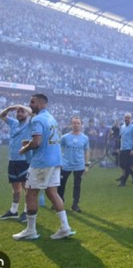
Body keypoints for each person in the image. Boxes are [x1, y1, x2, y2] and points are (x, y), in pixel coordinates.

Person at [13, 93, 75, 240]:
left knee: (31, 193)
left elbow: (36, 142)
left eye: (32, 102)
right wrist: (31, 142)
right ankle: (65, 227)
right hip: (55, 160)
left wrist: (24, 148)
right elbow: (43, 139)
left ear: (41, 103)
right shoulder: (51, 118)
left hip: (42, 162)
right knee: (52, 193)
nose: (30, 105)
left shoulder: (37, 119)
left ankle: (31, 230)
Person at [0, 104, 33, 223]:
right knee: (15, 188)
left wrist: (21, 106)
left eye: (21, 112)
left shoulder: (30, 124)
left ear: (26, 114)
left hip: (24, 160)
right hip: (12, 160)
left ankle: (26, 211)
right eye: (18, 112)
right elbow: (1, 115)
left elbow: (33, 113)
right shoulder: (13, 123)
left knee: (27, 188)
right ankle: (14, 211)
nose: (19, 114)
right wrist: (9, 109)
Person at [58, 116, 90, 213]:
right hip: (66, 164)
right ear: (71, 125)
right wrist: (59, 161)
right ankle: (59, 202)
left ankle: (75, 204)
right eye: (74, 123)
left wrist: (86, 165)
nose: (76, 125)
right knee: (61, 184)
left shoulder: (85, 138)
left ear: (81, 125)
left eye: (78, 123)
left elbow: (87, 151)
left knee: (77, 185)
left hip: (79, 165)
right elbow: (58, 149)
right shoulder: (64, 137)